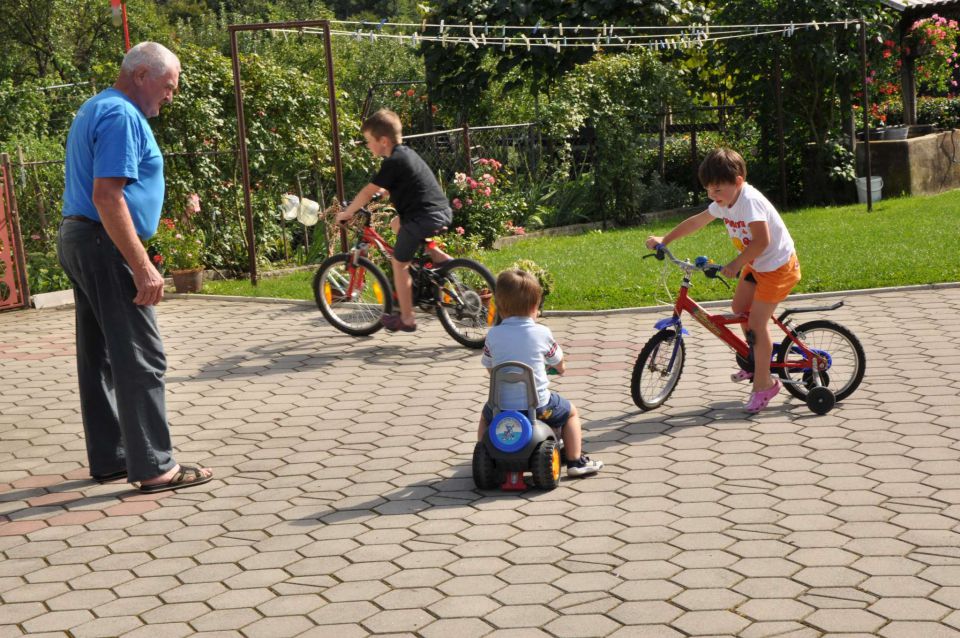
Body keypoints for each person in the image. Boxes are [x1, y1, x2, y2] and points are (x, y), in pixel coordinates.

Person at [57, 42, 213, 492]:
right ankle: (153, 466)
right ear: (141, 75)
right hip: (105, 245)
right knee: (142, 357)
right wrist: (142, 266)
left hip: (80, 237)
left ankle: (113, 457)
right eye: (168, 86)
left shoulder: (95, 106)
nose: (170, 96)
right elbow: (108, 195)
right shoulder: (123, 115)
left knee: (100, 356)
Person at [646, 148, 801, 413]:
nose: (712, 196)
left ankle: (764, 384)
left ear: (738, 181)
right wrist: (665, 239)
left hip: (777, 267)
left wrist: (735, 264)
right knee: (739, 309)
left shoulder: (749, 201)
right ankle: (758, 356)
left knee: (755, 325)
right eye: (708, 190)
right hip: (757, 264)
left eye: (717, 190)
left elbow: (762, 241)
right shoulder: (723, 203)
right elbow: (697, 221)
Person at [478, 269, 603, 477]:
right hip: (539, 408)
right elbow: (558, 362)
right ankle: (575, 461)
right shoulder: (542, 333)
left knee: (485, 416)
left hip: (500, 408)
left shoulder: (493, 335)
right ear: (536, 307)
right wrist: (559, 368)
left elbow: (491, 368)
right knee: (571, 412)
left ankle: (485, 453)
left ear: (498, 307)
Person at [336, 108, 452, 332]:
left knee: (399, 263)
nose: (368, 145)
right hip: (439, 211)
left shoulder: (391, 162)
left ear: (383, 141)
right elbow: (406, 184)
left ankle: (406, 318)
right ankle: (438, 257)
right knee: (396, 224)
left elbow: (367, 192)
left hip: (422, 218)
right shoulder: (406, 154)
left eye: (369, 141)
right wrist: (384, 193)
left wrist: (347, 212)